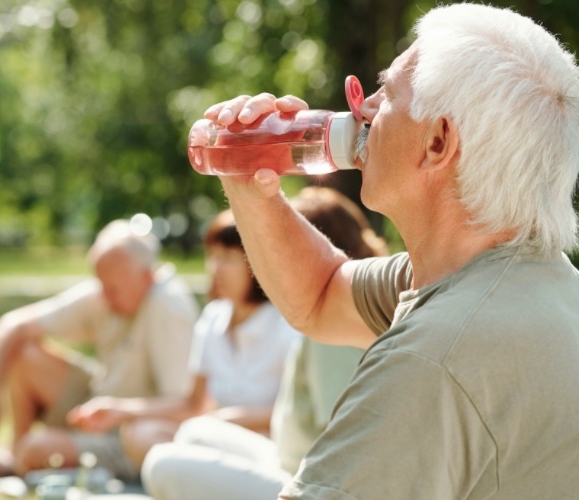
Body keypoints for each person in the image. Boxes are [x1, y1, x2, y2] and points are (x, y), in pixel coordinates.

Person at [196, 3, 579, 499]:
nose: (364, 108)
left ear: (438, 141)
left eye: (387, 93)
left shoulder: (433, 357)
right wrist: (250, 187)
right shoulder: (521, 279)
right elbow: (320, 296)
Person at [141, 187, 387, 500]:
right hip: (288, 456)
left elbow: (344, 441)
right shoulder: (343, 308)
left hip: (308, 481)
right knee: (194, 432)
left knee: (160, 464)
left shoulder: (336, 328)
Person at [66, 208, 300, 474]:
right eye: (212, 256)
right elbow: (193, 405)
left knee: (187, 444)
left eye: (227, 258)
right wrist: (119, 410)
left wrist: (227, 420)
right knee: (141, 435)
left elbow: (297, 410)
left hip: (269, 445)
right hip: (214, 436)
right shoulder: (213, 319)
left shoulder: (287, 326)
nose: (215, 268)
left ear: (260, 262)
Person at [0, 219, 200, 481]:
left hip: (129, 435)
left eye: (112, 289)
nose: (104, 297)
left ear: (146, 277)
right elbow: (12, 326)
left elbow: (186, 406)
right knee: (25, 355)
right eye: (101, 284)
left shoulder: (168, 307)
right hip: (99, 405)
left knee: (35, 451)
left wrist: (120, 411)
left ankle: (24, 457)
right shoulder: (107, 291)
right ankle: (15, 452)